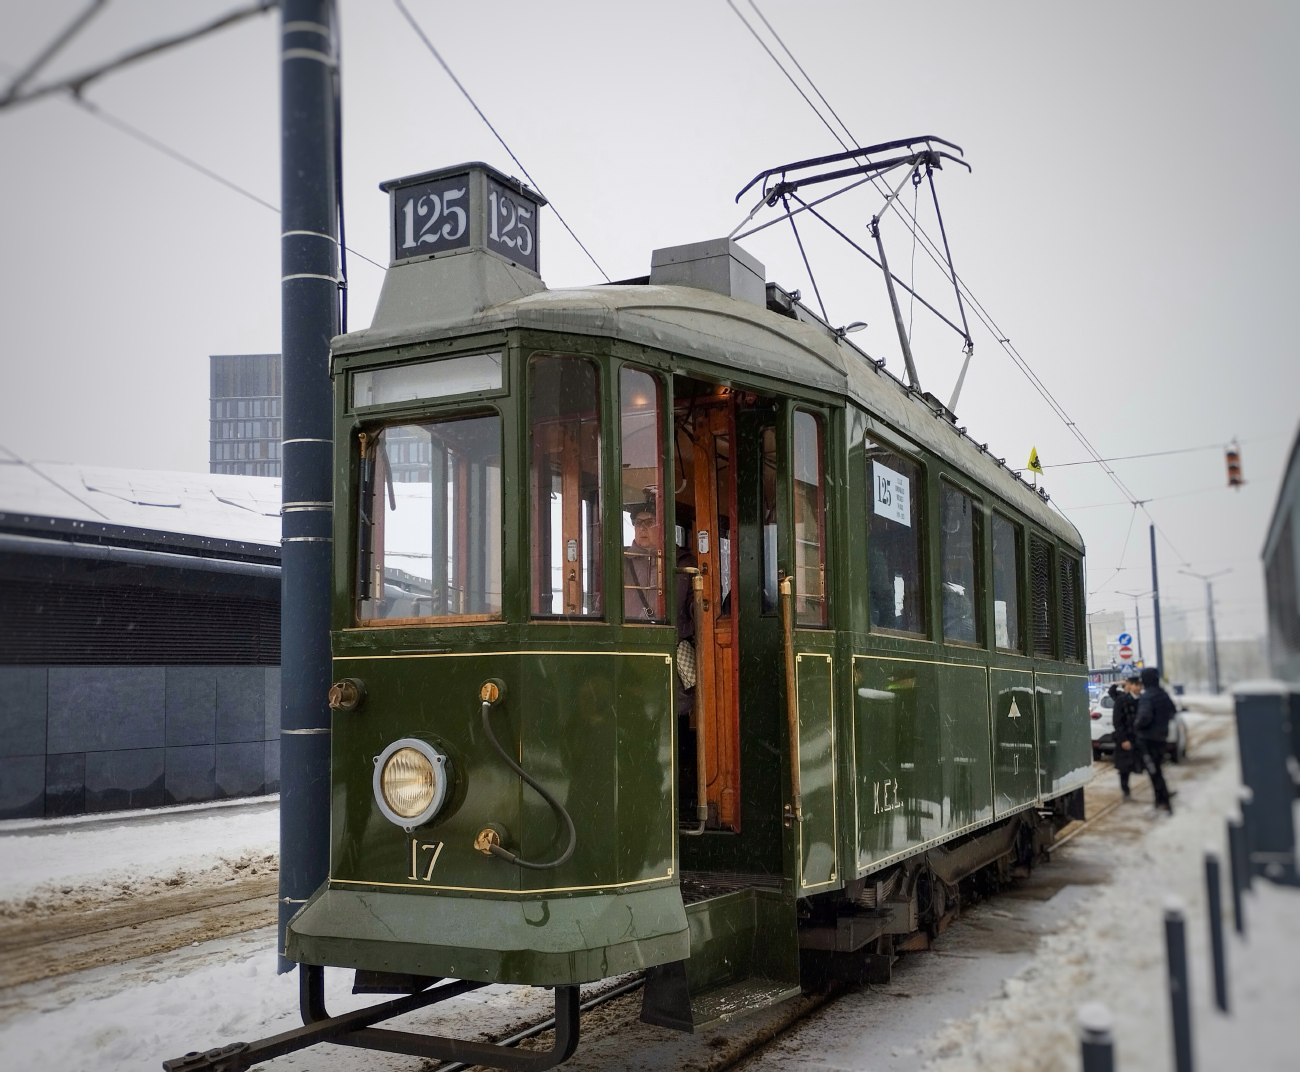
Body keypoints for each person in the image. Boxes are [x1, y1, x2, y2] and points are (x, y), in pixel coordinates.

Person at [1134, 666, 1176, 813]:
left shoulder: (1147, 696)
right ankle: (1161, 801)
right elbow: (1172, 711)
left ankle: (1162, 802)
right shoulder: (1162, 694)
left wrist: (1137, 725)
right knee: (1157, 769)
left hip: (1148, 740)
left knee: (1154, 772)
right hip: (1161, 738)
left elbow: (1144, 717)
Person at [622, 501, 662, 622]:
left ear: (660, 526)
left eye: (649, 523)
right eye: (638, 523)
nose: (642, 528)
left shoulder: (677, 560)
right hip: (630, 635)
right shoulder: (621, 561)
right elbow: (603, 603)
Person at [1110, 674, 1141, 800]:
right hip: (1126, 738)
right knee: (1124, 768)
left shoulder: (1141, 699)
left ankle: (1160, 792)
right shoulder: (1121, 699)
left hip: (1138, 738)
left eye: (1140, 685)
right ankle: (1126, 791)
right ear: (1129, 685)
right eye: (1135, 685)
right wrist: (1123, 739)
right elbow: (1118, 722)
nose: (1138, 687)